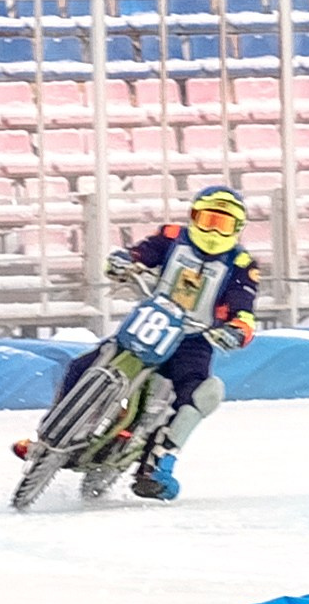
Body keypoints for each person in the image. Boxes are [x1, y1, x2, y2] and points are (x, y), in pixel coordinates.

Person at [14, 185, 259, 500]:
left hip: (195, 338)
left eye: (222, 223)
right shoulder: (172, 237)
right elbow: (142, 253)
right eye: (208, 219)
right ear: (194, 217)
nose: (213, 229)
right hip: (154, 319)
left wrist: (237, 328)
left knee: (200, 391)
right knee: (83, 364)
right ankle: (46, 435)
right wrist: (124, 260)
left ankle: (158, 466)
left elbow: (244, 306)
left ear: (236, 229)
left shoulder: (241, 265)